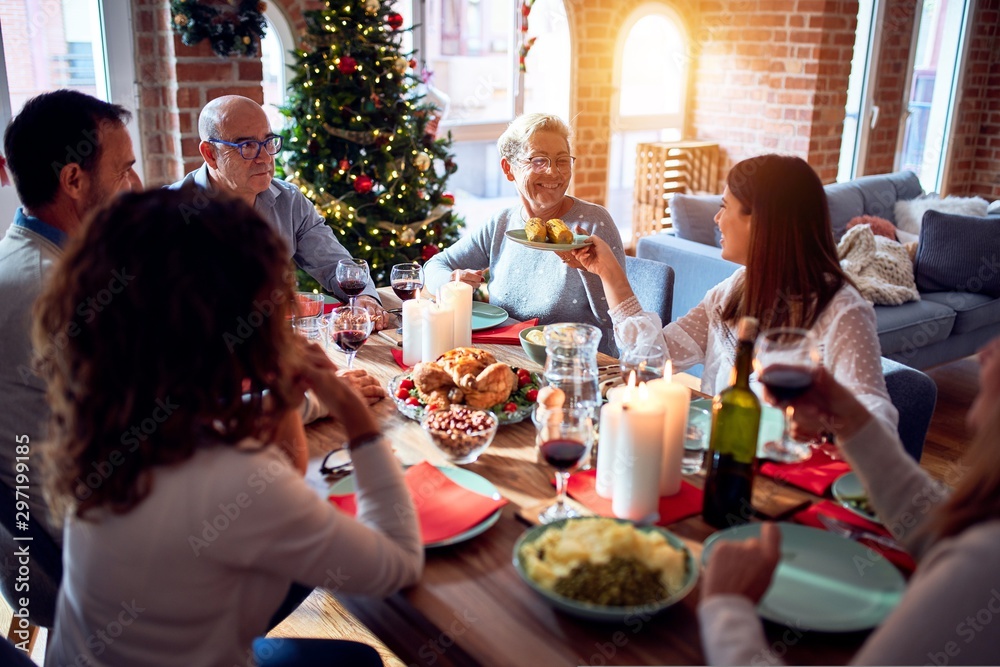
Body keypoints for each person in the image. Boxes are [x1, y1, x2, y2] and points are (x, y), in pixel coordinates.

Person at [36, 187, 423, 666]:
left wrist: (280, 397)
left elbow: (275, 467)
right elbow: (399, 563)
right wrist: (354, 415)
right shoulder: (230, 478)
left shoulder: (106, 419)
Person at [699, 336, 1000, 665]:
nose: (985, 351)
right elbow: (936, 524)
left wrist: (726, 609)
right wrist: (850, 421)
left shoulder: (984, 565)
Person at [571, 154, 896, 430]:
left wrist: (824, 419)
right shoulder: (738, 287)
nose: (717, 218)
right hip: (715, 455)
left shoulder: (844, 312)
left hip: (790, 477)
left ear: (760, 222)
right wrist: (609, 273)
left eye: (725, 206)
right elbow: (657, 358)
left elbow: (878, 418)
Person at [0, 89, 141, 626]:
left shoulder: (21, 255)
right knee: (325, 515)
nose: (134, 185)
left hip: (47, 546)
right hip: (104, 563)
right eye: (123, 169)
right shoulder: (58, 296)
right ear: (74, 181)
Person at [169, 95, 391, 330]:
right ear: (210, 154)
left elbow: (335, 264)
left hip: (274, 341)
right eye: (247, 146)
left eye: (268, 142)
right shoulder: (170, 214)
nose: (265, 158)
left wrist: (365, 297)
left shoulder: (289, 200)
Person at [423, 113, 627, 355]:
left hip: (573, 365)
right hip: (505, 358)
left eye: (562, 160)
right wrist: (449, 282)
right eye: (539, 160)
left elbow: (619, 321)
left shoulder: (593, 223)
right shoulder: (502, 223)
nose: (553, 172)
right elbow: (437, 264)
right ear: (509, 169)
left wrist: (588, 269)